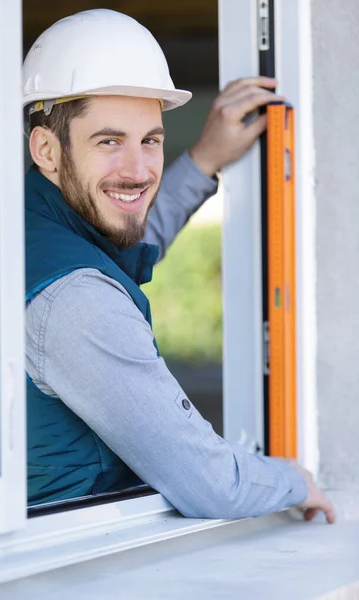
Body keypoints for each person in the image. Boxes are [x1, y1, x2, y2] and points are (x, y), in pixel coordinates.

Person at [24, 8, 335, 523]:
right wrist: (294, 479)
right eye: (108, 142)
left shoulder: (30, 228)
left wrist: (203, 160)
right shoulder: (77, 301)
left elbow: (125, 242)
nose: (139, 169)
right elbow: (213, 486)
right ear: (48, 150)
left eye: (150, 140)